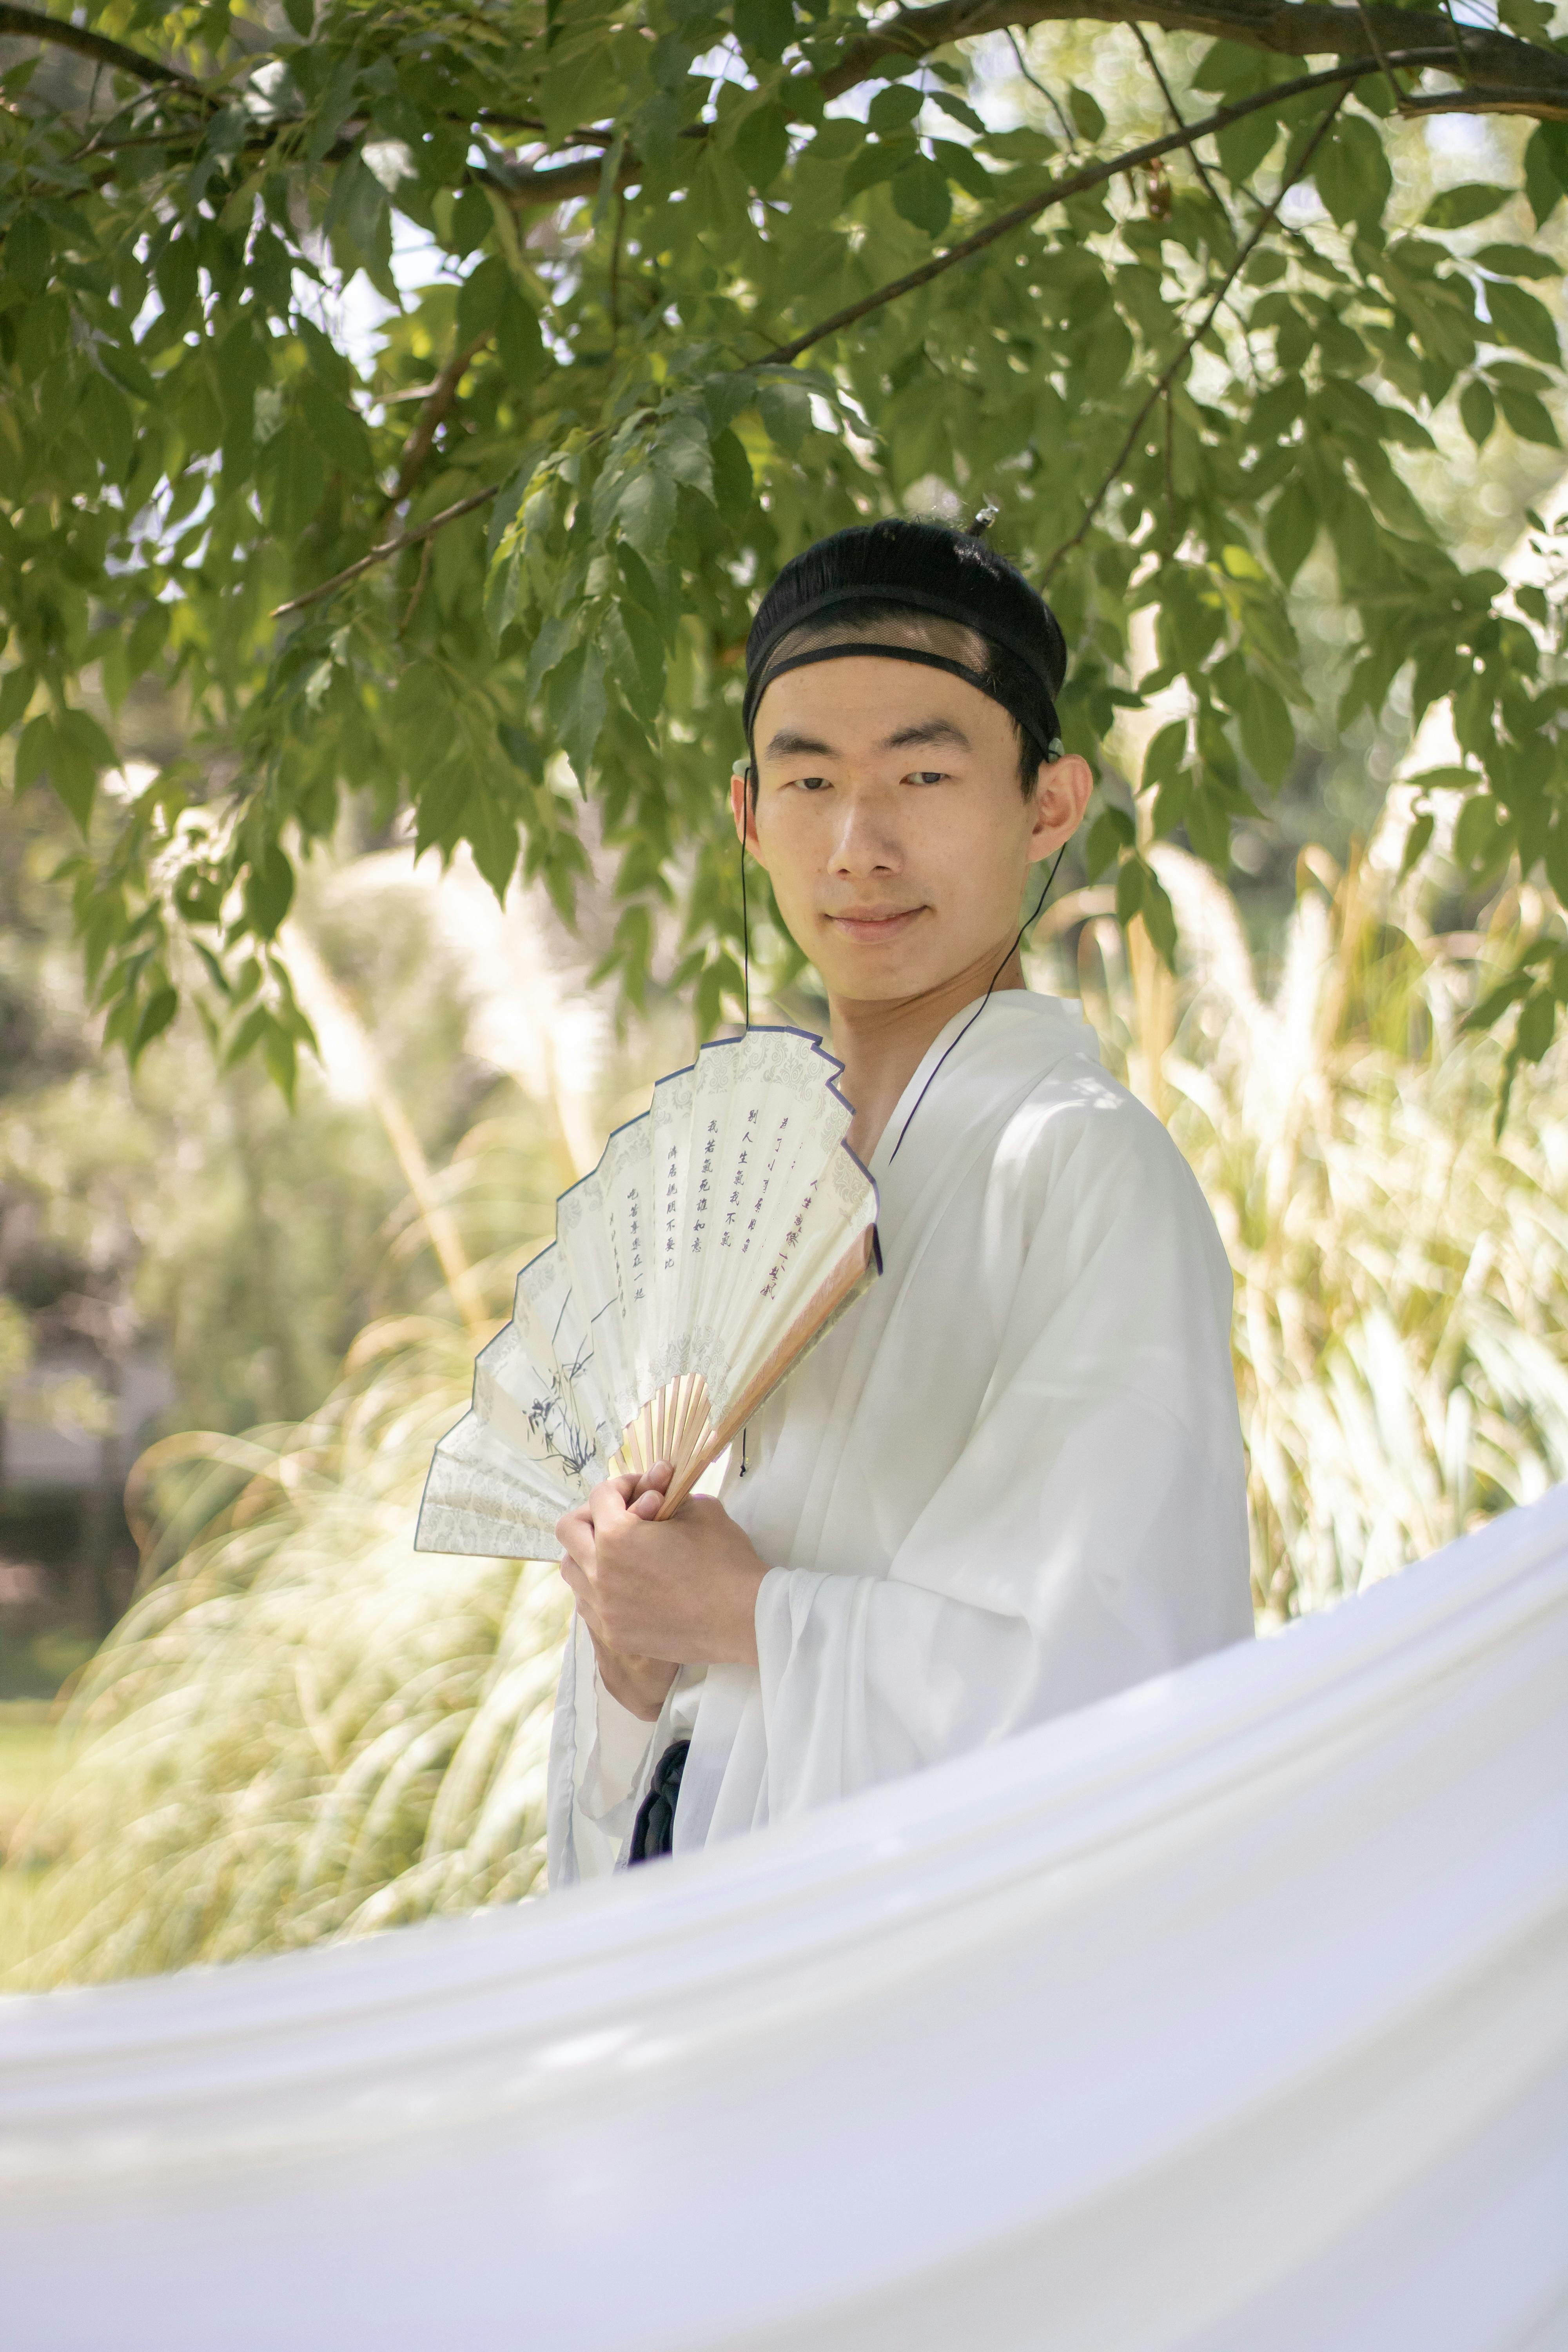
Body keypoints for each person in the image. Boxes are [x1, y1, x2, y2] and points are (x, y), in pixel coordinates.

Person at [548, 516, 1252, 1883]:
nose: (859, 846)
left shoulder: (1083, 1169)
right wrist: (629, 1661)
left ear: (1048, 804)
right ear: (749, 815)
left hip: (914, 1980)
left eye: (923, 774)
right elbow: (666, 1687)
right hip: (688, 1922)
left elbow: (1115, 1672)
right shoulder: (732, 1190)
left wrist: (751, 1615)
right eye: (807, 782)